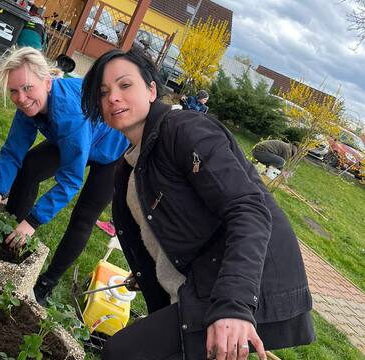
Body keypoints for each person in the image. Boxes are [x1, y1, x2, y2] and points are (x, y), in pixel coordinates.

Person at [81, 48, 314, 360]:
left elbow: (249, 210)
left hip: (247, 286)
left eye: (125, 86)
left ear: (151, 90)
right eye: (104, 92)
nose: (113, 98)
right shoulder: (130, 167)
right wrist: (150, 272)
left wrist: (235, 306)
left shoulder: (185, 130)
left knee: (121, 353)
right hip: (200, 285)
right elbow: (172, 224)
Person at [0, 47, 129, 305]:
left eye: (27, 88)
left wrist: (33, 221)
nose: (21, 98)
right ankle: (9, 241)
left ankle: (47, 283)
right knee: (30, 166)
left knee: (84, 217)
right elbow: (13, 151)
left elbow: (70, 179)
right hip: (76, 138)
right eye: (14, 91)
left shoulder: (69, 115)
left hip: (113, 147)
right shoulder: (28, 106)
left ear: (47, 82)